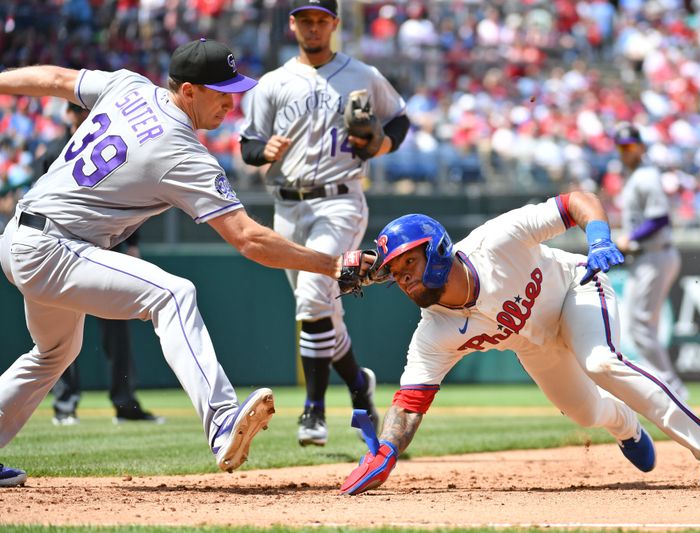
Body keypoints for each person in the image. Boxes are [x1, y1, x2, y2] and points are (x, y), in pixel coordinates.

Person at [0, 38, 345, 484]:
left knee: (55, 352)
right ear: (188, 92)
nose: (230, 100)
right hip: (55, 248)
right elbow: (249, 239)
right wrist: (333, 265)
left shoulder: (129, 86)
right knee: (173, 294)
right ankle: (222, 422)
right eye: (221, 90)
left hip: (21, 236)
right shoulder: (179, 150)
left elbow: (55, 79)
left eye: (233, 88)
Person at [339, 191, 700, 495]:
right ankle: (625, 423)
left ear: (440, 251)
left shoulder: (496, 240)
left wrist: (599, 238)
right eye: (395, 270)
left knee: (601, 363)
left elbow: (577, 201)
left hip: (577, 288)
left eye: (410, 261)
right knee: (585, 412)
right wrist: (387, 450)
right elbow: (409, 404)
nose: (404, 277)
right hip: (533, 344)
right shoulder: (433, 333)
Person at [239, 0, 409, 447]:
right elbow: (247, 145)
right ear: (293, 23)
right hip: (287, 207)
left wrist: (379, 146)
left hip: (339, 200)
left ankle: (313, 411)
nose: (313, 27)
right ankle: (359, 387)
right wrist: (263, 151)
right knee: (324, 313)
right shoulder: (272, 83)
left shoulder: (363, 74)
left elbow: (400, 119)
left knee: (314, 301)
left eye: (321, 19)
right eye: (305, 19)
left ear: (333, 23)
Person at [35, 101, 162, 425]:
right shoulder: (53, 150)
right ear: (68, 115)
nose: (83, 117)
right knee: (62, 334)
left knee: (118, 330)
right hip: (62, 249)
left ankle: (126, 405)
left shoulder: (111, 142)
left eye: (88, 112)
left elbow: (129, 196)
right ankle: (65, 407)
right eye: (78, 112)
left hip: (107, 248)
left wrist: (132, 244)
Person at [612, 122, 687, 401]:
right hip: (646, 257)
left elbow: (660, 218)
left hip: (655, 254)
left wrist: (630, 237)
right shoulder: (634, 177)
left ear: (641, 147)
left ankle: (672, 389)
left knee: (640, 324)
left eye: (630, 145)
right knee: (637, 324)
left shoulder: (646, 176)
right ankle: (666, 385)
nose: (625, 151)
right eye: (621, 146)